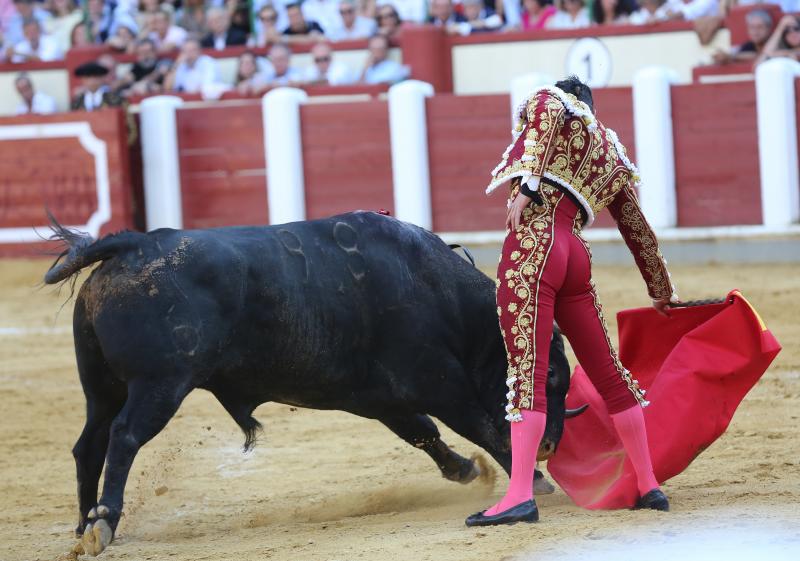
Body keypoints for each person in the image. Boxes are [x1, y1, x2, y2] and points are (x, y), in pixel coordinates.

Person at [465, 76, 676, 527]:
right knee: (611, 375)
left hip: (534, 245)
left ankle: (519, 495)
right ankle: (648, 484)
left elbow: (547, 106)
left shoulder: (553, 104)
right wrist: (660, 288)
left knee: (527, 373)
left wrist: (529, 186)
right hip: (575, 256)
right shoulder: (609, 153)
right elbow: (636, 227)